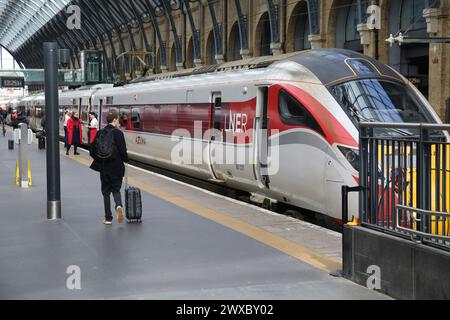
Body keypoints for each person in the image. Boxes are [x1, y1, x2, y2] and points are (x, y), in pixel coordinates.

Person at [89, 111, 129, 225]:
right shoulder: (118, 133)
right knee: (116, 190)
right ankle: (119, 206)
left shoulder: (100, 132)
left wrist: (99, 159)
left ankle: (108, 218)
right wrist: (126, 159)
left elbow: (92, 150)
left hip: (104, 167)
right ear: (115, 120)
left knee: (106, 192)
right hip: (117, 167)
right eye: (118, 120)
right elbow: (122, 151)